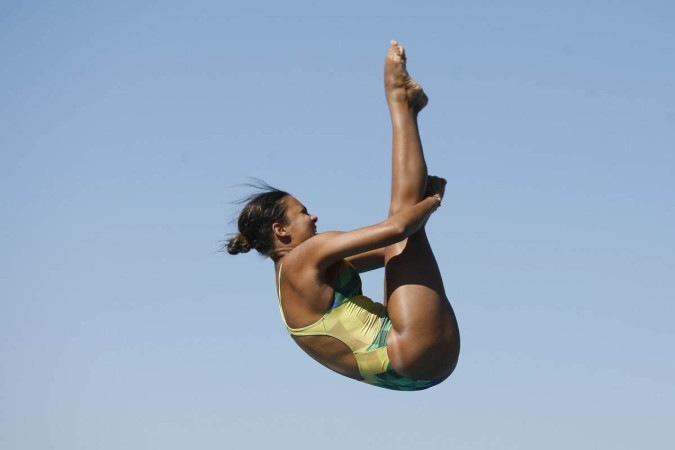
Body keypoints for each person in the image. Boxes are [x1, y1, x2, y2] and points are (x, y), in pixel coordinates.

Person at [226, 41, 460, 391]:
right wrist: (431, 201)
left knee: (404, 226)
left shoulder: (293, 280)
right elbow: (397, 227)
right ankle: (399, 101)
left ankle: (405, 104)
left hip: (414, 370)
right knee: (403, 215)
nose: (314, 217)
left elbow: (389, 248)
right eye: (302, 213)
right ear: (281, 230)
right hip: (411, 350)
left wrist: (419, 208)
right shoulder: (305, 257)